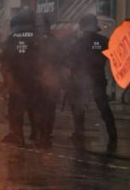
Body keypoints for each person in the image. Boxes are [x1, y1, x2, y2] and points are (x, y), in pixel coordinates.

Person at [68, 14, 117, 150]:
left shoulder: (77, 42)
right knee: (103, 106)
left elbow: (70, 61)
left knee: (79, 106)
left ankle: (79, 132)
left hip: (80, 79)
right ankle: (113, 133)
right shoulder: (104, 41)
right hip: (99, 77)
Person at [0, 9, 39, 146]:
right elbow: (46, 58)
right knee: (34, 107)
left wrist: (6, 82)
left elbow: (4, 61)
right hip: (35, 80)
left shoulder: (10, 39)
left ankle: (18, 135)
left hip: (17, 80)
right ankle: (37, 134)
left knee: (15, 109)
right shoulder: (37, 37)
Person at [34, 15, 61, 147]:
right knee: (50, 109)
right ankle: (46, 132)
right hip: (52, 81)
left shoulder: (35, 41)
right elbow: (62, 60)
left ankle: (42, 132)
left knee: (40, 108)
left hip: (40, 81)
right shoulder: (55, 41)